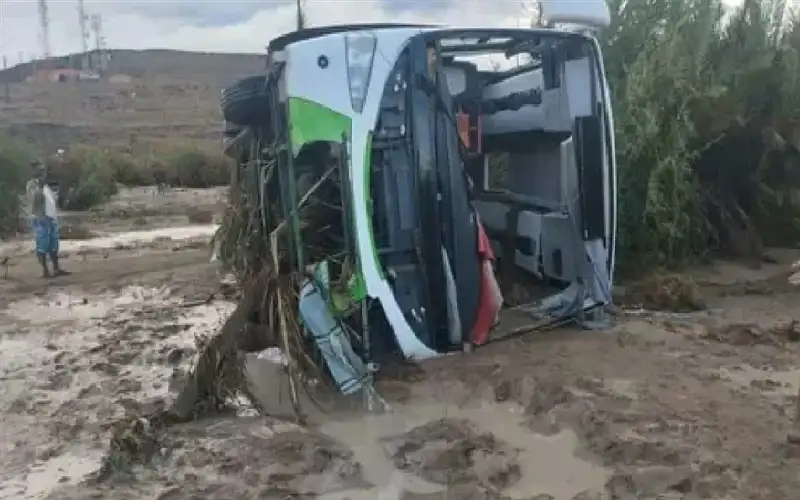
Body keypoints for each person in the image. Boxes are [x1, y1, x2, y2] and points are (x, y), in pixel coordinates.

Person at [27, 160, 69, 278]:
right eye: (40, 170)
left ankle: (56, 268)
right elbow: (34, 199)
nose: (42, 172)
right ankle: (45, 270)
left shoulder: (45, 185)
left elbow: (52, 201)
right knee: (42, 245)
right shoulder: (32, 184)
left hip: (50, 218)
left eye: (42, 170)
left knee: (53, 244)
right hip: (40, 219)